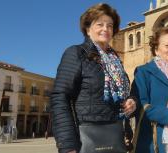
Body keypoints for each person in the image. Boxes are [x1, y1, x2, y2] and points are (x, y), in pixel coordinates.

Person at [50, 3, 136, 153]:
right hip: (86, 138)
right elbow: (60, 97)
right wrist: (68, 145)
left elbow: (121, 95)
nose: (106, 29)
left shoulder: (115, 61)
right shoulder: (76, 53)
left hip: (116, 136)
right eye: (100, 24)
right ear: (88, 29)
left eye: (110, 25)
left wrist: (131, 101)